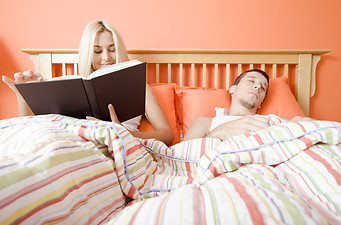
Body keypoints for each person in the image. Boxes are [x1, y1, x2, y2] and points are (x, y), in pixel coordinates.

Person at [2, 20, 174, 146]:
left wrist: (127, 133)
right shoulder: (72, 88)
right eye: (97, 51)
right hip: (69, 144)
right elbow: (31, 130)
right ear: (87, 53)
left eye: (112, 50)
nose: (106, 57)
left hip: (110, 149)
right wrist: (23, 95)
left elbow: (167, 135)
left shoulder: (137, 86)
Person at [183, 69, 312, 141]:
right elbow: (183, 156)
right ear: (233, 89)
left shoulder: (271, 120)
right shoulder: (206, 123)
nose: (258, 86)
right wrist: (218, 133)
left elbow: (306, 125)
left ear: (261, 102)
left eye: (263, 88)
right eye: (251, 81)